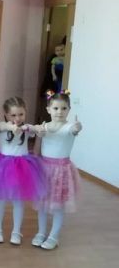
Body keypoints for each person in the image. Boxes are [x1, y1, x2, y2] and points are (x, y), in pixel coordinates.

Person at [0, 97, 46, 245]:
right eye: (13, 115)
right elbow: (3, 126)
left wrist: (37, 129)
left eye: (21, 114)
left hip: (22, 166)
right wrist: (12, 127)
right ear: (6, 114)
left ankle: (16, 232)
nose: (17, 118)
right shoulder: (2, 126)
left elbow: (35, 129)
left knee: (18, 201)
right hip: (5, 166)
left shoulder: (26, 128)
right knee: (1, 200)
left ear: (25, 113)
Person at [31, 91, 82, 250]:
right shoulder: (44, 126)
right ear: (48, 109)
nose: (60, 112)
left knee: (58, 206)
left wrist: (77, 127)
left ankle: (54, 236)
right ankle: (41, 232)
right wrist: (38, 135)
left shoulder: (69, 127)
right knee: (42, 204)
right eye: (56, 108)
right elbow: (37, 148)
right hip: (45, 170)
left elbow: (74, 130)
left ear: (69, 110)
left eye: (64, 108)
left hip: (62, 172)